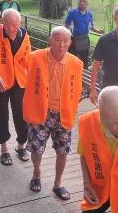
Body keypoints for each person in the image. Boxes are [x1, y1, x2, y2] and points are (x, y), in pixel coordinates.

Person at [23, 26, 84, 200]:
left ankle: (58, 183)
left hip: (63, 114)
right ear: (50, 40)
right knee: (36, 147)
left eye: (66, 40)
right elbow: (22, 73)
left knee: (63, 151)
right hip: (40, 111)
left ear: (70, 42)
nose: (62, 44)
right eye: (57, 39)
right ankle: (36, 173)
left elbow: (77, 90)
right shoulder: (35, 57)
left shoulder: (76, 64)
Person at [0, 9, 31, 165]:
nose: (12, 28)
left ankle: (21, 146)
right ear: (2, 22)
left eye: (15, 25)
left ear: (20, 23)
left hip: (20, 81)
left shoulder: (24, 34)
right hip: (0, 82)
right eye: (8, 25)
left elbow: (28, 59)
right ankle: (4, 149)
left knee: (22, 115)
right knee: (1, 115)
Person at [64, 0, 104, 69]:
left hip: (84, 40)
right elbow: (66, 26)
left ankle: (83, 76)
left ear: (87, 3)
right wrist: (62, 36)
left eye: (84, 1)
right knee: (72, 58)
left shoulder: (89, 14)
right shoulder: (72, 13)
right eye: (80, 1)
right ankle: (71, 75)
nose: (82, 3)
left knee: (84, 60)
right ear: (77, 2)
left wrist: (99, 31)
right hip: (73, 40)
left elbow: (91, 26)